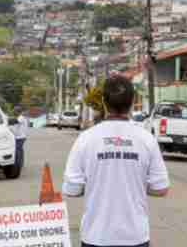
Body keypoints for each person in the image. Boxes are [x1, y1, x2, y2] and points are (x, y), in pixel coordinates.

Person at [63, 75, 170, 247]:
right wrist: (136, 182)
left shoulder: (86, 139)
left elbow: (72, 189)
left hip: (96, 236)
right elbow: (161, 188)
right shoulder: (146, 139)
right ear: (132, 101)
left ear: (104, 102)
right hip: (135, 237)